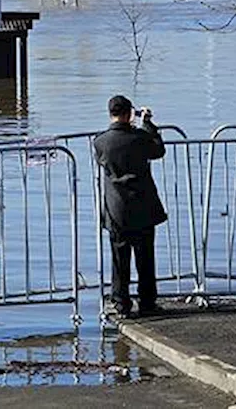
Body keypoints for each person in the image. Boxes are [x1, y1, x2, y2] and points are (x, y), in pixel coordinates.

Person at [93, 95, 167, 317]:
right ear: (128, 114)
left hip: (116, 209)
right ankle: (147, 302)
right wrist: (148, 124)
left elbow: (103, 161)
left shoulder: (100, 141)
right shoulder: (139, 137)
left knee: (119, 259)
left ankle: (121, 303)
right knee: (145, 257)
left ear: (110, 113)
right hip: (143, 206)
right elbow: (158, 151)